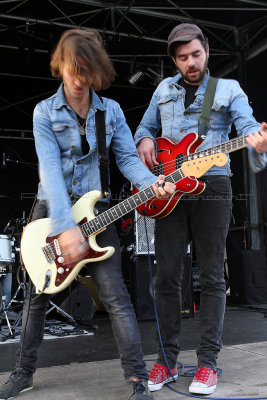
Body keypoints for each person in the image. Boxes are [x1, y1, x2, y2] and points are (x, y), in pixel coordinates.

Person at [0, 28, 176, 400]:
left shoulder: (109, 111)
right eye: (71, 69)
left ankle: (137, 379)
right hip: (51, 212)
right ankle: (23, 373)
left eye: (86, 70)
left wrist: (151, 182)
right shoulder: (44, 111)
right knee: (37, 296)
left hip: (97, 212)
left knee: (117, 298)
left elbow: (128, 157)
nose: (78, 79)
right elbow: (49, 169)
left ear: (97, 70)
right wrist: (65, 227)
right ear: (59, 66)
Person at [134, 23, 267, 395]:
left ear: (206, 50)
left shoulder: (228, 90)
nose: (190, 63)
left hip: (213, 186)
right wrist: (144, 139)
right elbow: (144, 127)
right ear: (174, 60)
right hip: (170, 189)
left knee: (211, 276)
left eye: (195, 54)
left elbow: (247, 127)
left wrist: (258, 141)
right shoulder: (164, 89)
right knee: (166, 278)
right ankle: (166, 361)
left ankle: (207, 364)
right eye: (182, 57)